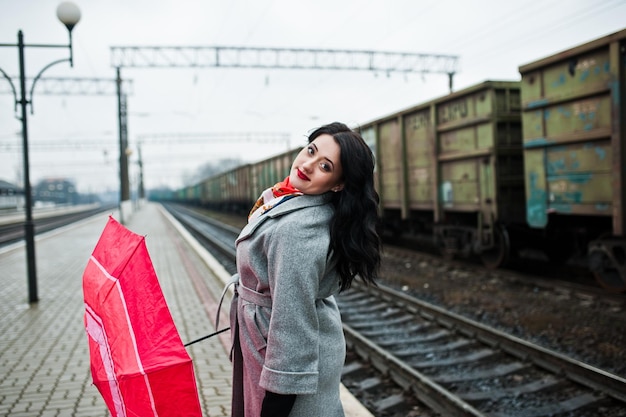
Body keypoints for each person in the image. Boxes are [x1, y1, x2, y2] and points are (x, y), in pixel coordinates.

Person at [228, 122, 381, 417]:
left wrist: (276, 403)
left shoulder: (298, 230)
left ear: (338, 184)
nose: (307, 165)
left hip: (282, 358)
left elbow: (292, 319)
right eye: (310, 150)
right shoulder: (294, 200)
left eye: (325, 166)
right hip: (269, 339)